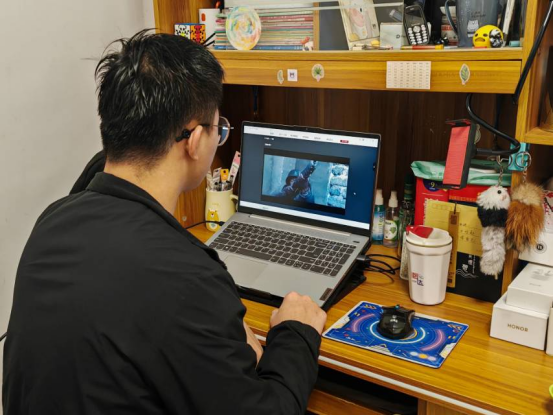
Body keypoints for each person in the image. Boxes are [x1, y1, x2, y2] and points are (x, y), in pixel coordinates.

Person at [3, 30, 326, 414]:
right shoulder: (186, 278)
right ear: (194, 140)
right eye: (219, 129)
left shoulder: (53, 221)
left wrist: (214, 324)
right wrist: (296, 331)